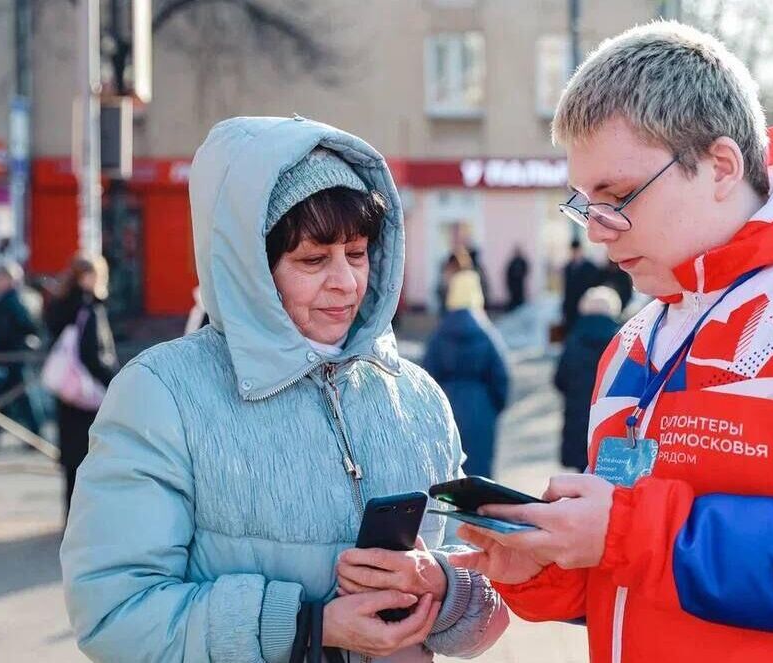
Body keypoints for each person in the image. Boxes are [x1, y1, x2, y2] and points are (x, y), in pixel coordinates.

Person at [450, 22, 773, 662]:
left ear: (721, 166)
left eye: (619, 196)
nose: (599, 231)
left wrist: (626, 530)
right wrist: (542, 567)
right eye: (586, 204)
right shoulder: (636, 340)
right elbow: (635, 581)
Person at [60, 117, 507, 663]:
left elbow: (489, 588)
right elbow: (113, 612)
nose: (345, 282)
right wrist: (307, 626)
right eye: (313, 260)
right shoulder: (162, 395)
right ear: (250, 270)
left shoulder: (414, 395)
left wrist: (441, 585)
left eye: (359, 253)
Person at [44, 255, 117, 513]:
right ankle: (88, 522)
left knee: (71, 464)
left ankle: (70, 520)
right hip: (89, 395)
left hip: (67, 393)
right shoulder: (90, 308)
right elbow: (93, 355)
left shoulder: (60, 305)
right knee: (92, 458)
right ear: (89, 277)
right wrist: (114, 380)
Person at [423, 270, 510, 478]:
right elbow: (501, 378)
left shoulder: (438, 335)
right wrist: (491, 407)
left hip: (446, 408)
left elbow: (426, 378)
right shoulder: (488, 334)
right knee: (480, 476)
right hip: (481, 409)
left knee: (448, 475)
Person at [554, 286, 622, 472]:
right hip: (611, 419)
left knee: (581, 469)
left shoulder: (574, 339)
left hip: (578, 416)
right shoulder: (622, 339)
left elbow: (560, 379)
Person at [0, 259, 44, 444]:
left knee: (19, 396)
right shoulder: (15, 298)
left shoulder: (12, 300)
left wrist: (2, 351)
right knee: (8, 396)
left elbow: (24, 327)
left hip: (14, 355)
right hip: (11, 355)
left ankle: (35, 434)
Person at [561, 239, 600, 333]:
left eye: (577, 251)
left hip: (585, 305)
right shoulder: (568, 267)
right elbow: (566, 289)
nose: (575, 253)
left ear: (581, 250)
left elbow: (595, 287)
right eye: (573, 251)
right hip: (570, 306)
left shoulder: (590, 267)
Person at [505, 246, 530, 311]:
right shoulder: (512, 262)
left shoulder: (522, 261)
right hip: (513, 283)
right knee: (514, 298)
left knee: (520, 298)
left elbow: (526, 269)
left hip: (519, 283)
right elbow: (508, 272)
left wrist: (520, 275)